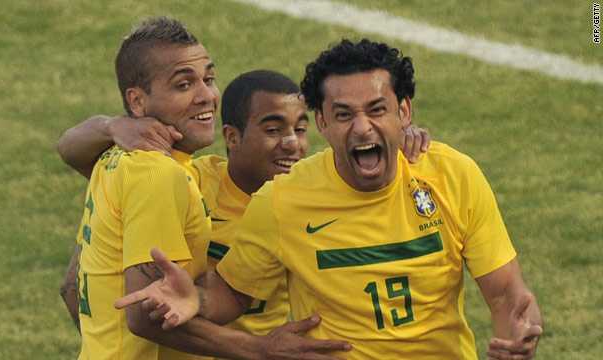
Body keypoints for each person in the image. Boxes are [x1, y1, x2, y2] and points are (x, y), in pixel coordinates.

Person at [116, 38, 544, 360]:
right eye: (343, 114)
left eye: (377, 109)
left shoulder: (453, 175)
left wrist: (515, 336)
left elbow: (506, 293)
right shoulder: (285, 199)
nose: (361, 128)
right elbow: (233, 292)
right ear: (321, 121)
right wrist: (197, 299)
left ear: (404, 113)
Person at [59, 68, 430, 342]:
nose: (292, 144)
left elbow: (74, 287)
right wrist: (110, 126)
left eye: (300, 130)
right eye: (273, 130)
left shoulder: (308, 199)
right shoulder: (189, 183)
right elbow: (75, 155)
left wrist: (404, 139)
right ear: (232, 137)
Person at [65, 15, 353, 360]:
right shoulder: (161, 176)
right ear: (138, 101)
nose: (207, 96)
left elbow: (71, 286)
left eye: (209, 79)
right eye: (183, 85)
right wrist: (262, 350)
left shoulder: (115, 158)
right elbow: (145, 316)